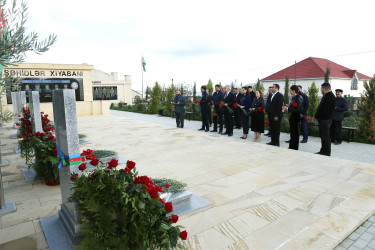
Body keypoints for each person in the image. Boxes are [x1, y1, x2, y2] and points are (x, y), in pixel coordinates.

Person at [314, 82, 336, 156]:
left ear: (324, 88)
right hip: (324, 119)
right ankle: (323, 150)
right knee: (323, 136)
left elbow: (323, 109)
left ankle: (326, 152)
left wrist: (316, 116)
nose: (321, 90)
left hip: (325, 119)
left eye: (321, 89)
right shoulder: (327, 96)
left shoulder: (329, 97)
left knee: (325, 136)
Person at [283, 85, 304, 150]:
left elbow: (298, 109)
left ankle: (295, 147)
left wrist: (288, 108)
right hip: (292, 117)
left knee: (296, 133)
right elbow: (292, 107)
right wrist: (288, 107)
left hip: (296, 117)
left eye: (290, 90)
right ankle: (291, 146)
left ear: (294, 90)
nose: (290, 91)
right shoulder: (293, 97)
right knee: (292, 132)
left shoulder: (299, 98)